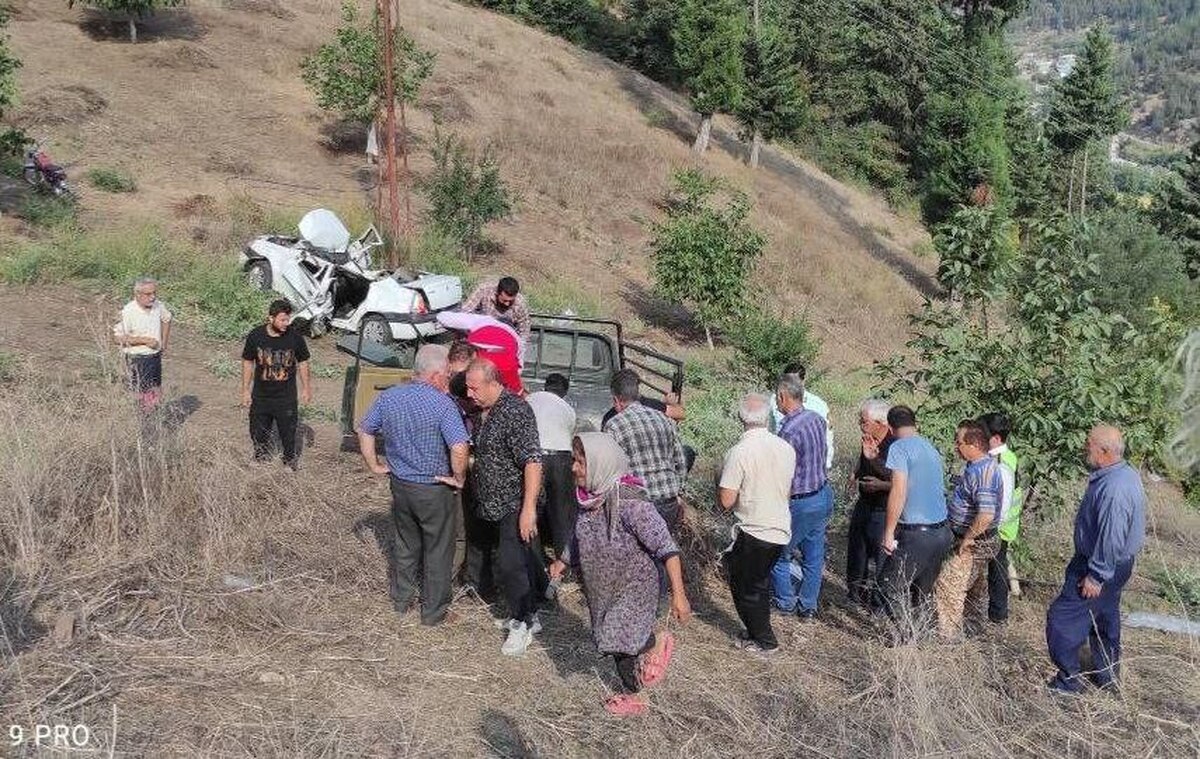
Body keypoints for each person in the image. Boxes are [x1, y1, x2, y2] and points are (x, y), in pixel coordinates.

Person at [548, 433, 691, 716]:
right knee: (615, 640)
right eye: (574, 461)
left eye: (581, 463)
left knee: (620, 642)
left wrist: (680, 596)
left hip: (635, 587)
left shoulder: (632, 504)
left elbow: (667, 549)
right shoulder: (589, 498)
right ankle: (653, 643)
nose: (573, 468)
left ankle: (635, 696)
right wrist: (562, 563)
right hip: (603, 588)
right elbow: (578, 538)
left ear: (601, 464)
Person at [357, 344, 470, 625]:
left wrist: (374, 465)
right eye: (446, 374)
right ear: (434, 376)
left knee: (406, 545)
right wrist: (459, 478)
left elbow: (364, 428)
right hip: (433, 489)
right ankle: (433, 612)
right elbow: (459, 446)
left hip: (401, 484)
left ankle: (401, 601)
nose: (448, 379)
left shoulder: (390, 397)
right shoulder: (443, 405)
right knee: (438, 551)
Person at [1046, 425, 1146, 694]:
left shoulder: (1114, 489)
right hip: (1118, 564)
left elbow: (1112, 536)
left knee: (1062, 619)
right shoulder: (1124, 475)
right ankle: (1107, 677)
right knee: (1104, 619)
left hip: (1100, 565)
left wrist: (1096, 575)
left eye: (1088, 444)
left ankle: (1068, 682)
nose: (1084, 448)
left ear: (1103, 451)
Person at [464, 359, 547, 655]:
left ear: (492, 382)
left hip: (515, 501)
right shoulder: (486, 411)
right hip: (496, 504)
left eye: (474, 388)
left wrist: (528, 509)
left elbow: (533, 460)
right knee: (518, 562)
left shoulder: (515, 411)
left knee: (511, 564)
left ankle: (521, 625)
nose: (470, 393)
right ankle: (530, 615)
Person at [718, 393, 795, 653]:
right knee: (757, 584)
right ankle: (755, 631)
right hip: (780, 526)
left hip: (754, 529)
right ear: (768, 417)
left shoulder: (739, 452)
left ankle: (765, 640)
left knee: (747, 588)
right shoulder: (785, 448)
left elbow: (727, 500)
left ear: (741, 417)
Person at [877, 405, 952, 633]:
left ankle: (905, 635)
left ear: (890, 429)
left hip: (918, 534)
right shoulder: (929, 447)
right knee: (922, 590)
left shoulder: (899, 448)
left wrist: (889, 532)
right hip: (942, 532)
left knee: (888, 585)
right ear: (915, 424)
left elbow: (899, 491)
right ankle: (922, 635)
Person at [933, 420, 1004, 641]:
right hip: (978, 539)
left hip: (975, 541)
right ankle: (974, 631)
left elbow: (985, 514)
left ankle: (949, 638)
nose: (956, 447)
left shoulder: (983, 473)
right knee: (974, 588)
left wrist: (968, 538)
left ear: (973, 444)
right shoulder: (978, 467)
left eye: (959, 442)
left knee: (949, 588)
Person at [769, 372, 832, 621]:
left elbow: (782, 472)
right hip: (822, 494)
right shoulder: (816, 419)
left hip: (801, 502)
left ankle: (785, 602)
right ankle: (808, 606)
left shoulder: (788, 431)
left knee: (778, 553)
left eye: (777, 397)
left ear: (783, 396)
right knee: (814, 556)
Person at [603, 369, 688, 533]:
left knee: (637, 553)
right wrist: (679, 492)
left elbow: (611, 468)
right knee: (662, 549)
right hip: (667, 499)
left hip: (638, 501)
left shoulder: (613, 425)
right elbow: (680, 460)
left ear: (616, 400)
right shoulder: (664, 418)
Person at [241, 299, 311, 469]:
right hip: (261, 395)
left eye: (288, 319)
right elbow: (248, 362)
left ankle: (289, 461)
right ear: (270, 318)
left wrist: (306, 388)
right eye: (282, 320)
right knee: (257, 430)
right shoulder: (256, 336)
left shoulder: (295, 337)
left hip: (285, 397)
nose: (286, 323)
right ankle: (260, 457)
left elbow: (303, 362)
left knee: (288, 431)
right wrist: (244, 390)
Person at [845, 399, 894, 607]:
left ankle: (879, 602)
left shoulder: (894, 445)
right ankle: (855, 593)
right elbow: (862, 458)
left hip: (883, 508)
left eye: (864, 421)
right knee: (857, 549)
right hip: (864, 502)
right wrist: (854, 473)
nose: (860, 424)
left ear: (881, 423)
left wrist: (881, 485)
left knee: (881, 556)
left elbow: (900, 482)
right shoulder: (868, 437)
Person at [526, 373, 578, 563]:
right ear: (564, 392)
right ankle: (564, 560)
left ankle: (534, 560)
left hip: (534, 457)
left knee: (532, 509)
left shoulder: (529, 399)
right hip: (561, 458)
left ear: (545, 386)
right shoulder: (568, 409)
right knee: (562, 512)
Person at [980, 411, 1023, 623]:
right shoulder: (1004, 457)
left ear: (995, 438)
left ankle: (998, 616)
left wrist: (991, 525)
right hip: (1002, 525)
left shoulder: (1002, 461)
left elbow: (1004, 500)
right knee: (996, 569)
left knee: (996, 571)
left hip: (999, 527)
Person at [113, 277, 172, 412]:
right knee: (140, 393)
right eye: (148, 294)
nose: (152, 297)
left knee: (156, 389)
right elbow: (117, 338)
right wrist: (144, 340)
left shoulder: (158, 305)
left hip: (154, 356)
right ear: (137, 294)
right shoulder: (128, 312)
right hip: (137, 359)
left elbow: (167, 318)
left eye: (154, 293)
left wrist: (164, 343)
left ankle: (154, 417)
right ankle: (141, 419)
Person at [769, 363, 833, 472]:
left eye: (794, 381)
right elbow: (771, 430)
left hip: (811, 467)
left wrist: (826, 465)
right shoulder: (775, 400)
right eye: (788, 381)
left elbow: (827, 436)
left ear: (803, 381)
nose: (791, 385)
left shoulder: (818, 405)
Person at [461, 276, 531, 340]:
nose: (507, 304)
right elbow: (466, 310)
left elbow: (524, 329)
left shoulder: (520, 303)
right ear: (497, 293)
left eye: (511, 301)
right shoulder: (484, 290)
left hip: (506, 336)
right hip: (482, 329)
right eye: (505, 300)